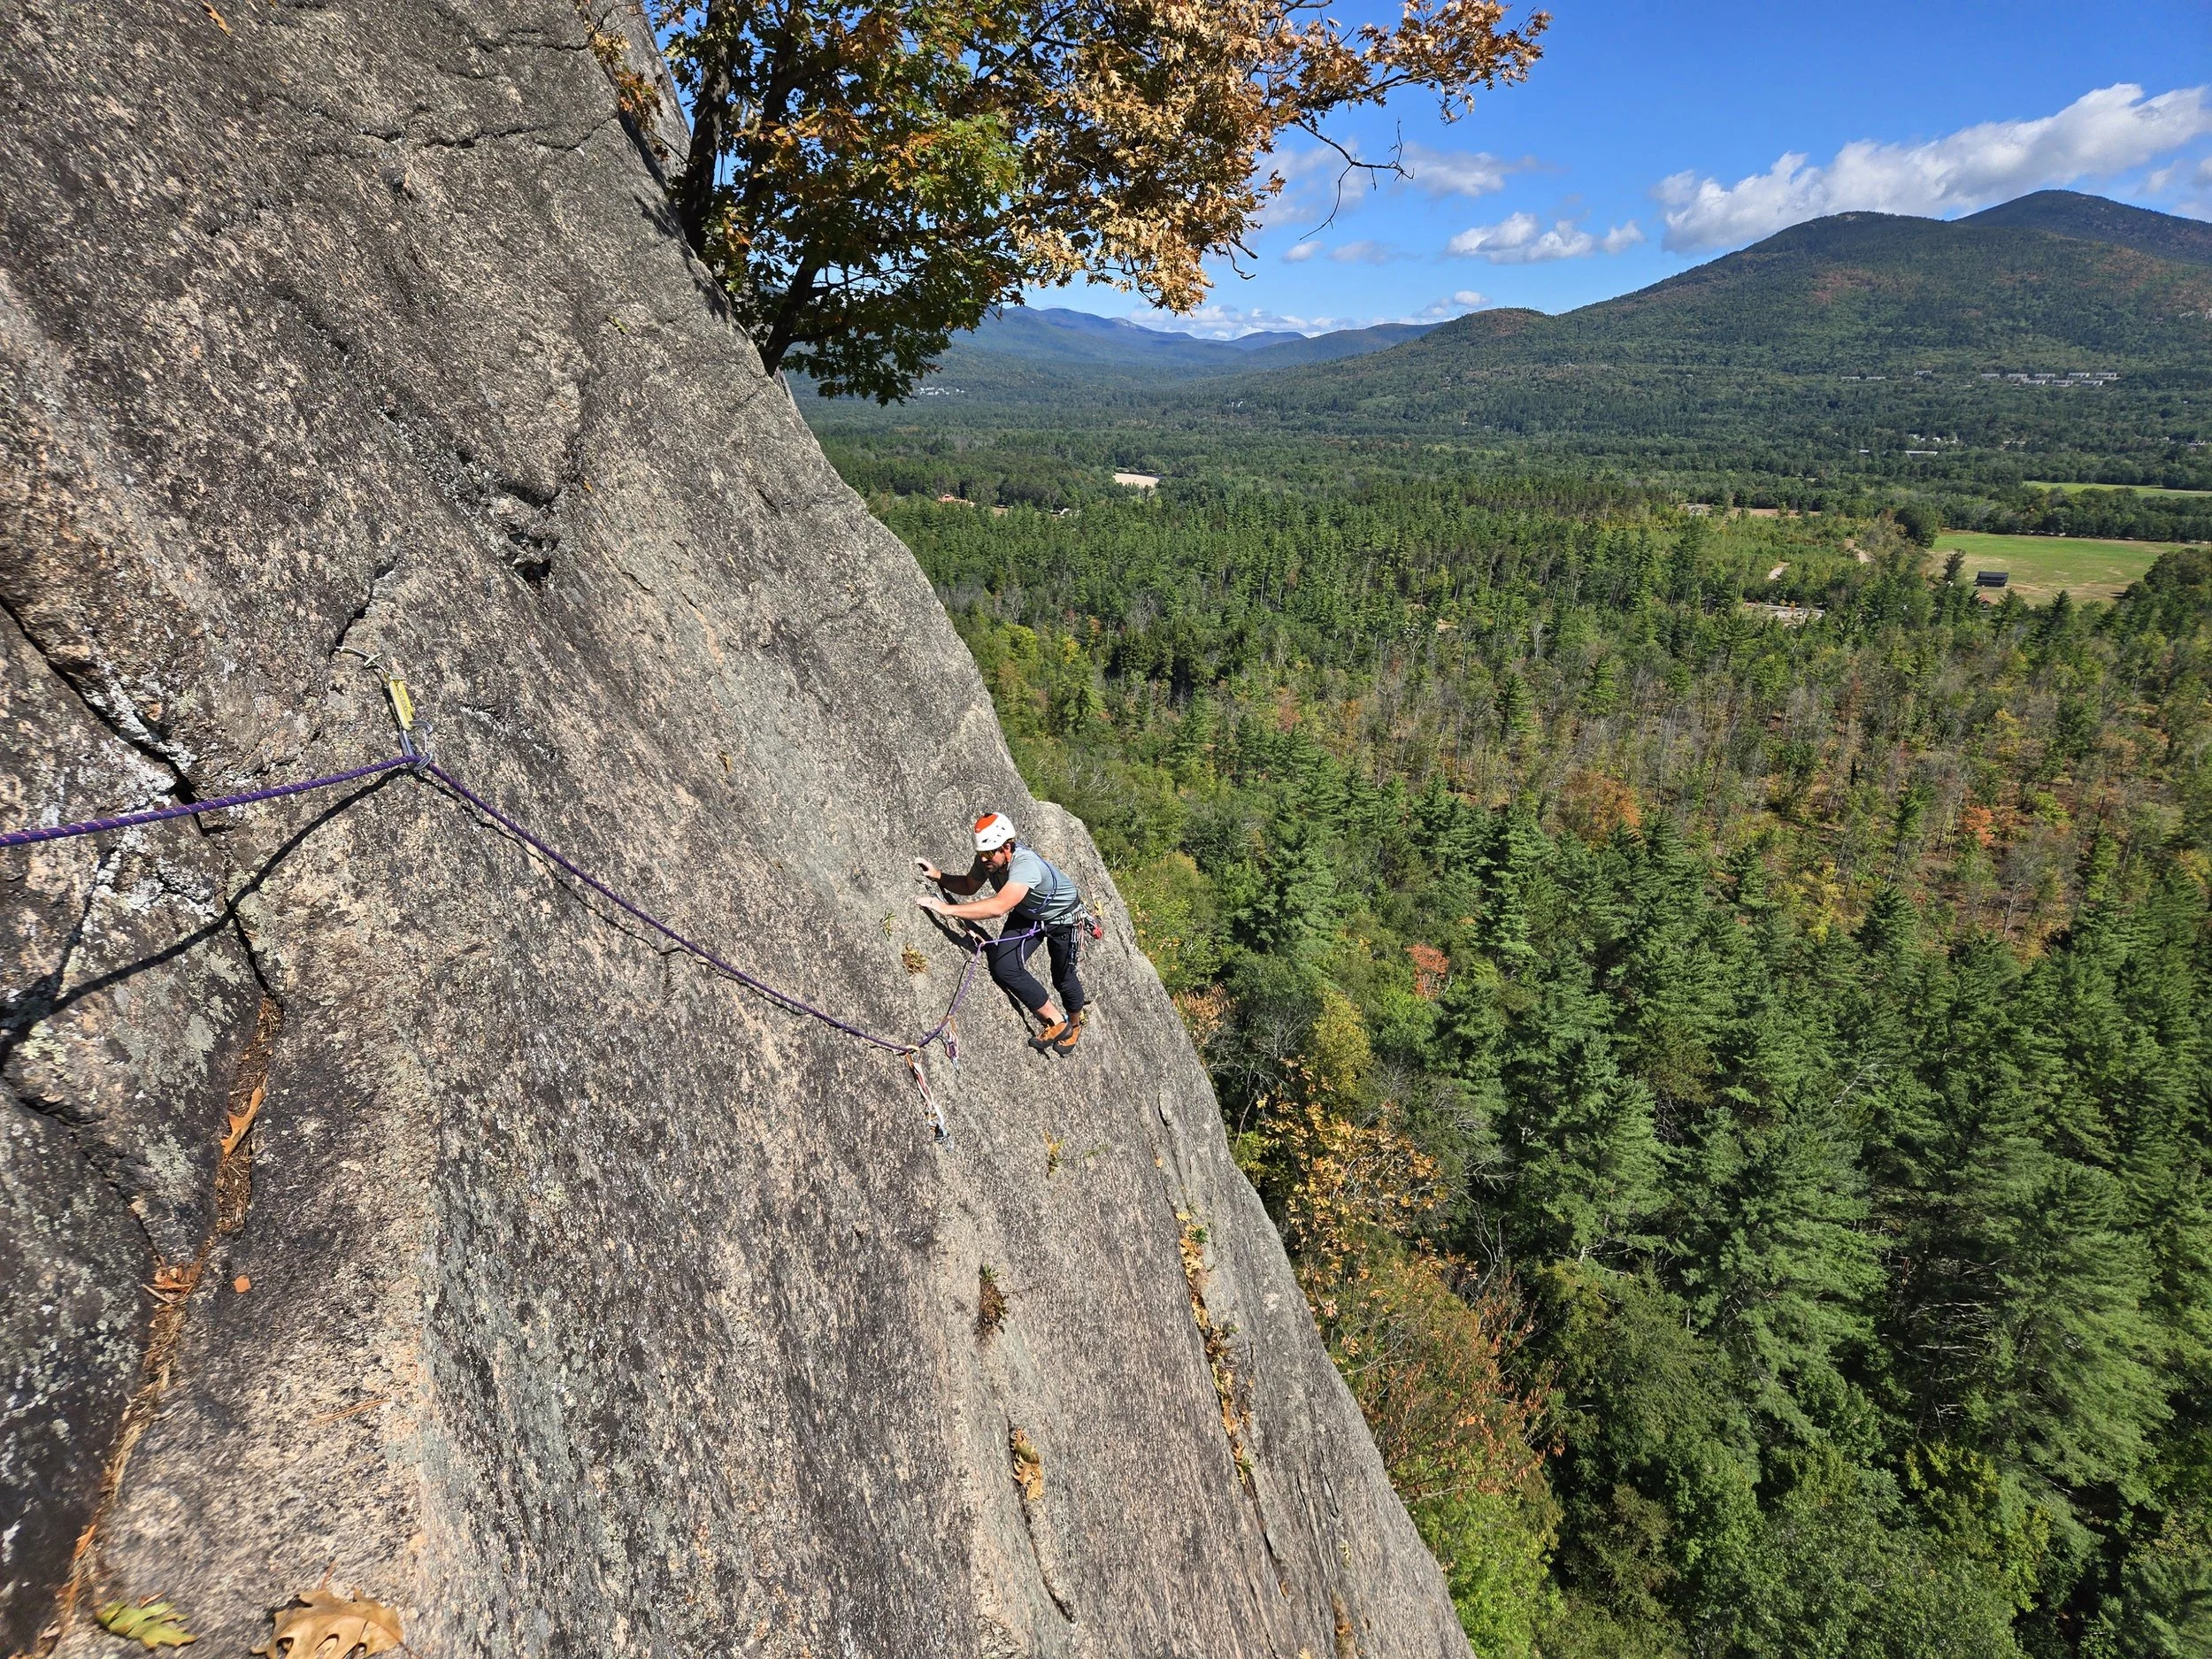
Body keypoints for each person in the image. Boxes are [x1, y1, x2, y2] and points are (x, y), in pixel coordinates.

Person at [917, 811, 1089, 1054]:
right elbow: (968, 886)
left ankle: (1074, 1024)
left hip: (1064, 919)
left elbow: (999, 907)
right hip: (1029, 912)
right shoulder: (990, 860)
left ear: (1007, 847)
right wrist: (939, 876)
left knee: (1063, 978)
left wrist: (946, 910)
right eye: (981, 854)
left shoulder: (1025, 866)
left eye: (989, 853)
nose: (985, 859)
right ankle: (1057, 1022)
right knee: (1005, 968)